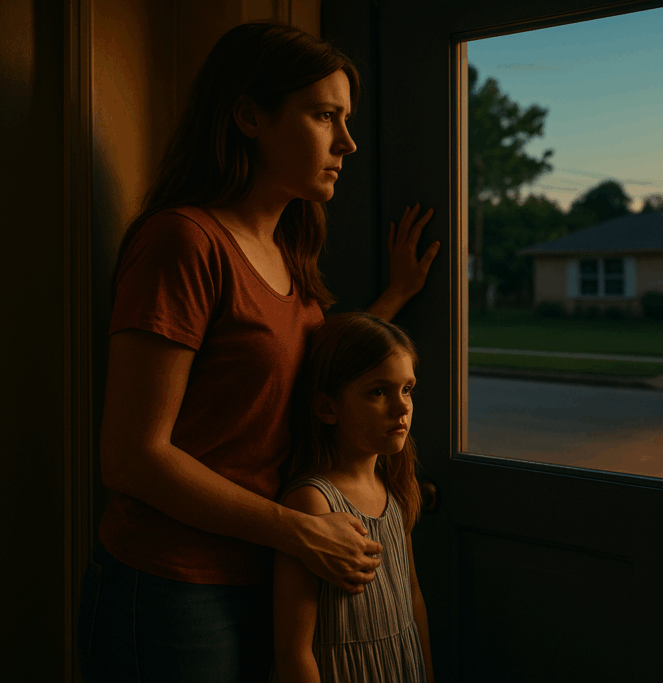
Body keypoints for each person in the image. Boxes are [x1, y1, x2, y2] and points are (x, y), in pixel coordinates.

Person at [77, 20, 440, 683]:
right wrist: (299, 530)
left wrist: (392, 300)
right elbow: (131, 457)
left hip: (265, 576)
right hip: (175, 587)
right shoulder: (183, 243)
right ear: (249, 115)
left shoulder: (290, 250)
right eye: (324, 116)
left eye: (346, 119)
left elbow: (299, 373)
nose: (348, 142)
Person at [273, 312, 433, 683]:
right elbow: (291, 652)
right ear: (327, 408)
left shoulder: (394, 484)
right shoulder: (313, 503)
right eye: (379, 392)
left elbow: (413, 598)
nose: (402, 406)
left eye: (407, 389)